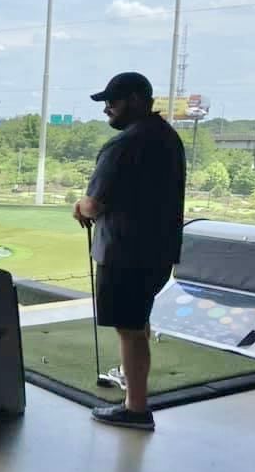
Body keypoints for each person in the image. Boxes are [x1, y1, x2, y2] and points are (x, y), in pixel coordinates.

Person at [73, 72, 185, 430]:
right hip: (158, 252)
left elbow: (93, 204)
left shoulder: (124, 144)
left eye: (113, 101)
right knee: (138, 324)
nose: (107, 108)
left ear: (137, 99)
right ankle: (133, 388)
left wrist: (79, 205)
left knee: (130, 330)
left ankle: (136, 408)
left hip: (124, 253)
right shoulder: (167, 137)